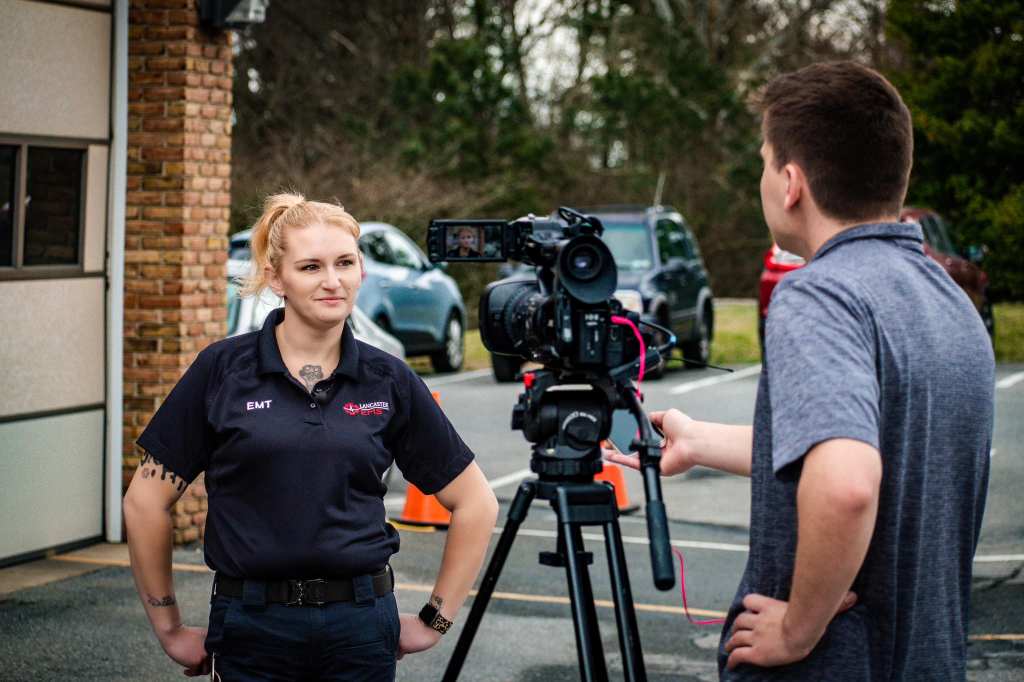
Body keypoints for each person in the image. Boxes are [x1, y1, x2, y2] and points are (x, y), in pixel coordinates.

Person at [606, 61, 994, 680]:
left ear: (791, 182)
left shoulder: (818, 297)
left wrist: (796, 629)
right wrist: (700, 441)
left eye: (764, 162)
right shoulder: (949, 301)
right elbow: (869, 443)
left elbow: (847, 483)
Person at [123, 192, 499, 680]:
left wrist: (435, 619)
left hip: (361, 628)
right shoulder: (223, 370)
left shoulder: (389, 379)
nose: (332, 281)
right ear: (276, 278)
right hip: (252, 625)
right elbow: (145, 502)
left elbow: (476, 502)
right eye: (310, 267)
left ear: (362, 268)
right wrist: (169, 627)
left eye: (345, 262)